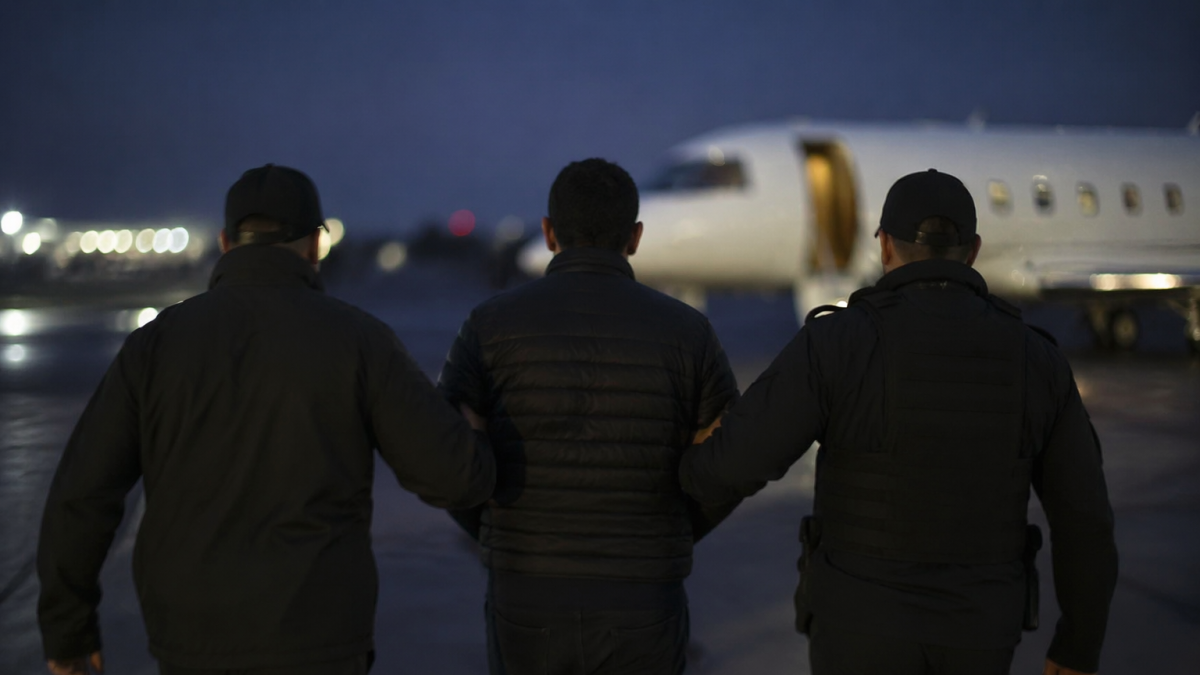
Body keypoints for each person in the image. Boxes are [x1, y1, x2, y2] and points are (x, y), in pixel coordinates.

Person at [37, 164, 496, 675]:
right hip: (318, 639)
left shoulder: (156, 343)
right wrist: (473, 437)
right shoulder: (358, 340)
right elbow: (452, 476)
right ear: (316, 245)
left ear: (225, 242)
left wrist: (67, 631)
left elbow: (83, 493)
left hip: (189, 639)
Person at [679, 169, 1118, 675]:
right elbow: (1085, 518)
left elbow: (733, 466)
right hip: (979, 634)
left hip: (858, 631)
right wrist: (1079, 642)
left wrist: (691, 463)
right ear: (971, 251)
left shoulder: (837, 342)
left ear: (885, 246)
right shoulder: (1036, 359)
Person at [438, 158, 739, 675]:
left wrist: (492, 528)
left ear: (549, 232)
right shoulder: (689, 332)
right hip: (644, 597)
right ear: (636, 236)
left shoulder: (489, 325)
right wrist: (673, 532)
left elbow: (443, 451)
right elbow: (731, 459)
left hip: (527, 592)